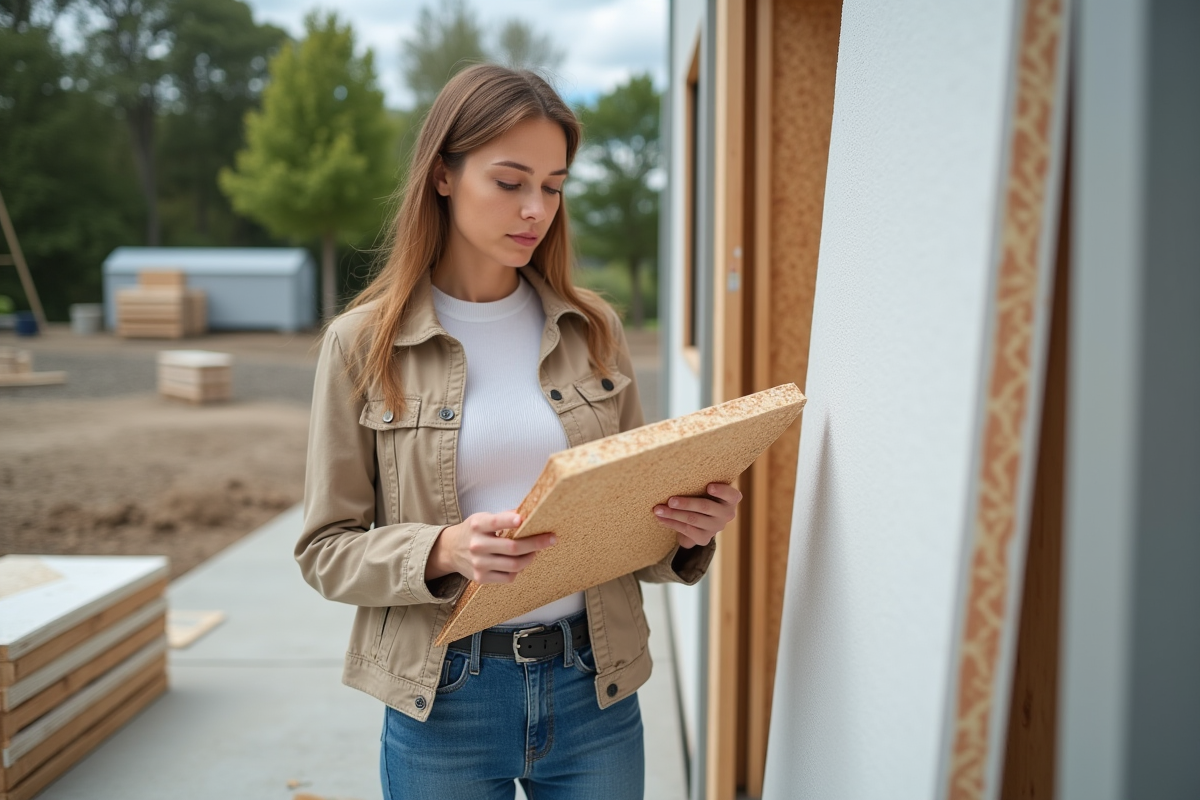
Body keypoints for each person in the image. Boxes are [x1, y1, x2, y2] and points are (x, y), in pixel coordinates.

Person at [297, 63, 742, 800]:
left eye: (554, 185)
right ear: (444, 174)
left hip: (591, 689)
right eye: (510, 182)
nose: (536, 208)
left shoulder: (594, 329)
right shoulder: (360, 344)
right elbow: (324, 551)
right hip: (443, 697)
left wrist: (688, 530)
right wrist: (443, 548)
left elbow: (631, 532)